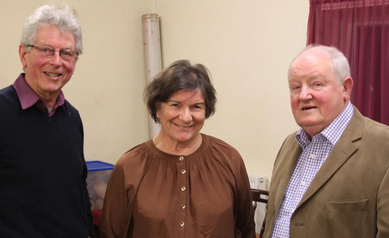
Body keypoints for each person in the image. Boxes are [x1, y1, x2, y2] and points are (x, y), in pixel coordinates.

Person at [99, 60, 256, 238]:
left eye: (196, 107)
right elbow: (110, 233)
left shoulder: (229, 159)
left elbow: (246, 230)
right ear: (158, 108)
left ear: (207, 110)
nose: (186, 117)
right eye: (175, 105)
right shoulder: (129, 166)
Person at [263, 44, 389, 238]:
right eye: (295, 87)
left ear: (345, 88)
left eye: (316, 84)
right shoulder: (289, 145)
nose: (304, 95)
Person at [0, 5, 93, 238]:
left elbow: (79, 190)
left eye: (67, 53)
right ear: (24, 54)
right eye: (46, 50)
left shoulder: (72, 118)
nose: (57, 61)